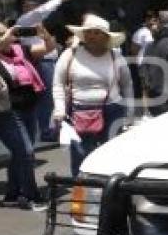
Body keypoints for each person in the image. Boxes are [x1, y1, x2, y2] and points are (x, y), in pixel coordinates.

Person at [0, 20, 55, 210]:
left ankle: (12, 194)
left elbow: (49, 47)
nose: (6, 37)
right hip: (4, 114)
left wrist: (44, 33)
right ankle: (31, 196)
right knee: (26, 153)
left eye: (8, 32)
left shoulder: (20, 51)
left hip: (27, 109)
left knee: (19, 154)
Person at [52, 14, 132, 177]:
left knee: (111, 155)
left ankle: (109, 195)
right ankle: (80, 198)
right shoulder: (70, 54)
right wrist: (59, 108)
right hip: (80, 111)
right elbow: (58, 84)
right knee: (81, 156)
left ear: (105, 36)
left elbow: (127, 85)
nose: (92, 36)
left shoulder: (115, 55)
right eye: (88, 32)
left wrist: (129, 113)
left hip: (112, 110)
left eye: (97, 32)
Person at [16, 0, 72, 142]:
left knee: (51, 96)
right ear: (24, 8)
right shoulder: (24, 20)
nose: (35, 8)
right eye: (31, 6)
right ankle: (46, 130)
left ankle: (50, 128)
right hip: (42, 62)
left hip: (49, 61)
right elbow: (42, 12)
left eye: (35, 5)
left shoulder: (35, 23)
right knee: (47, 97)